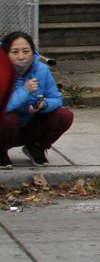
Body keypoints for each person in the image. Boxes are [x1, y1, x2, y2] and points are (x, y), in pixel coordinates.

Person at [0, 31, 72, 168]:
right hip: (5, 127)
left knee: (64, 116)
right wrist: (25, 91)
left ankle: (35, 147)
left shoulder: (42, 70)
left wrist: (44, 105)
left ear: (32, 51)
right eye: (15, 52)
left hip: (29, 125)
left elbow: (57, 99)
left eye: (26, 51)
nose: (21, 57)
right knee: (10, 119)